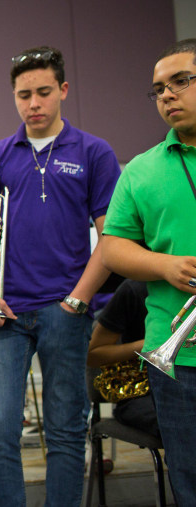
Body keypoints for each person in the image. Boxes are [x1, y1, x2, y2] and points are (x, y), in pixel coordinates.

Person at [0, 46, 120, 506]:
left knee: (66, 431)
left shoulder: (95, 152)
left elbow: (110, 237)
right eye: (24, 94)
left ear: (63, 91)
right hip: (2, 312)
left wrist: (79, 299)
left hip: (63, 311)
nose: (33, 103)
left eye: (44, 92)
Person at [101, 38, 196, 505]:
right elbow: (112, 247)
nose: (167, 95)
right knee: (191, 479)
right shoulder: (140, 170)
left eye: (181, 82)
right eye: (158, 89)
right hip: (178, 356)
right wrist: (167, 266)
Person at [86, 279, 159, 438]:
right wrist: (152, 344)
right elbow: (93, 354)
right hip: (141, 395)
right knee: (180, 422)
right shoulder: (135, 289)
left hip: (183, 389)